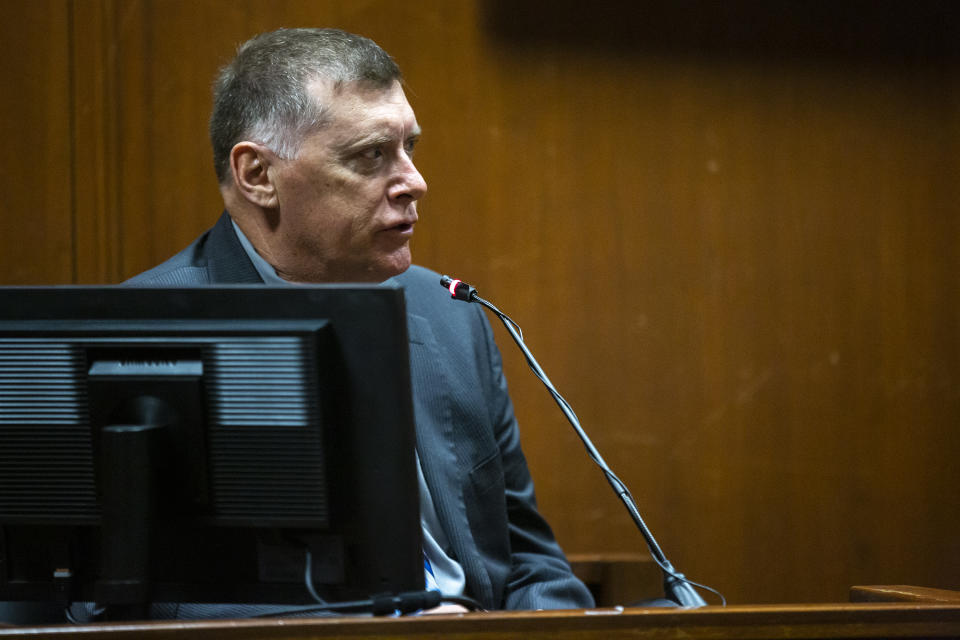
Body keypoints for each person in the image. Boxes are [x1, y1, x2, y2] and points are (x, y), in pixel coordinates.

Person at [129, 27, 593, 612]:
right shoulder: (150, 334)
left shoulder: (450, 314)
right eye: (370, 155)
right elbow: (141, 603)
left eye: (409, 149)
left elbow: (528, 560)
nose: (413, 182)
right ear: (258, 176)